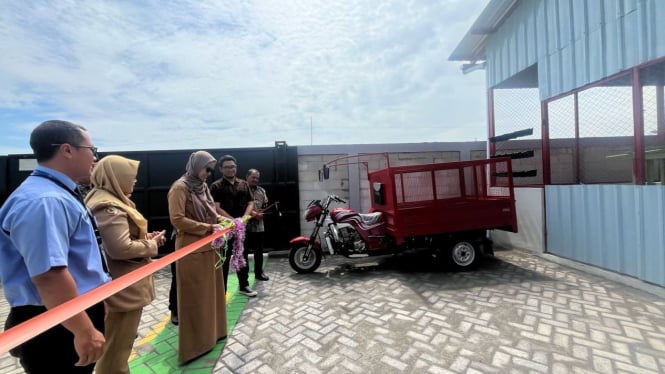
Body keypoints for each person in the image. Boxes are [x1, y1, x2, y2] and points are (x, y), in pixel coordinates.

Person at [0, 120, 110, 373]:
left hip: (67, 312)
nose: (95, 158)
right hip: (57, 322)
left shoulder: (55, 192)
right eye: (92, 150)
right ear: (67, 150)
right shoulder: (45, 201)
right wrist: (83, 330)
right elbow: (50, 276)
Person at [84, 155, 166, 374]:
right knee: (116, 351)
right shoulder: (107, 206)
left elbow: (118, 240)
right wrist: (151, 244)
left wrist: (146, 238)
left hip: (121, 285)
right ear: (116, 177)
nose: (135, 181)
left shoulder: (108, 198)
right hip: (123, 289)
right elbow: (119, 249)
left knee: (118, 346)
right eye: (131, 177)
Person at [167, 151, 227, 364]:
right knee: (194, 299)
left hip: (210, 248)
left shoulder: (202, 187)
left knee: (211, 295)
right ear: (195, 166)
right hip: (190, 250)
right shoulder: (180, 187)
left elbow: (212, 213)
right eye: (206, 169)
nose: (208, 174)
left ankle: (214, 333)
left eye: (212, 170)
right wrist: (209, 228)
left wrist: (228, 223)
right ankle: (194, 347)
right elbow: (177, 219)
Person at [210, 155, 257, 297]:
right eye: (227, 167)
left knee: (241, 257)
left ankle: (244, 285)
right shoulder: (216, 186)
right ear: (221, 169)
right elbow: (216, 207)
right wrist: (233, 221)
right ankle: (221, 292)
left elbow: (250, 202)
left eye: (233, 167)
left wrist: (243, 219)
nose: (231, 169)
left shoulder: (244, 184)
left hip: (241, 229)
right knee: (223, 260)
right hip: (226, 230)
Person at [245, 169, 269, 281]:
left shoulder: (261, 191)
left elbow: (265, 205)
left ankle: (259, 273)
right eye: (253, 177)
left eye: (257, 178)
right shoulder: (241, 190)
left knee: (259, 252)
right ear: (247, 177)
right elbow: (238, 206)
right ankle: (244, 276)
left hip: (259, 226)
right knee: (243, 252)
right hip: (244, 227)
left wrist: (261, 213)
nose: (255, 180)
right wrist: (252, 213)